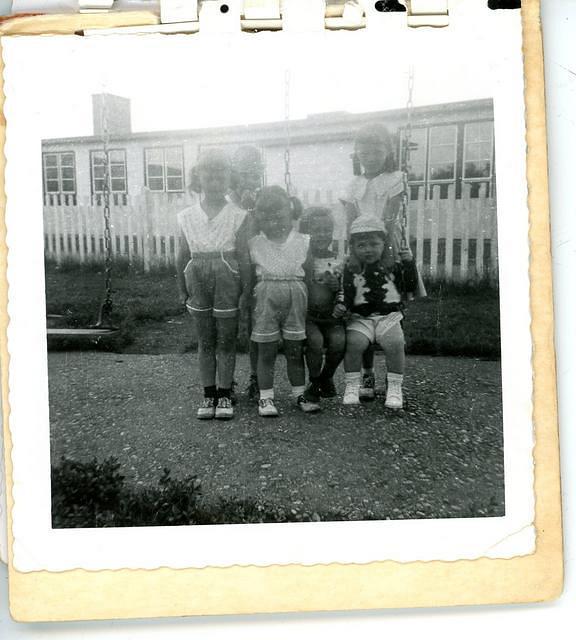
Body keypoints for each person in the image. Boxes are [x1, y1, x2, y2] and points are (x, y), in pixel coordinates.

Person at [341, 122, 421, 400]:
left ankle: (394, 379)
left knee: (388, 300)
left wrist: (388, 250)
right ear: (357, 153)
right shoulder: (353, 185)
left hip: (385, 241)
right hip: (360, 242)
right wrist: (352, 251)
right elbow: (350, 220)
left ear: (388, 151)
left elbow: (390, 216)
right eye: (364, 150)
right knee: (362, 308)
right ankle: (366, 375)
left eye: (377, 149)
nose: (370, 155)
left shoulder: (395, 178)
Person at [176, 148, 250, 421]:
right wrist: (181, 288)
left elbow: (243, 256)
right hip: (197, 274)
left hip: (228, 274)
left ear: (230, 177)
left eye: (221, 171)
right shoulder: (186, 216)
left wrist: (245, 290)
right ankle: (209, 393)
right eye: (209, 171)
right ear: (198, 176)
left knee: (227, 339)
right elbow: (182, 255)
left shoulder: (238, 215)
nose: (215, 177)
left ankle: (225, 392)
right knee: (205, 339)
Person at [249, 186, 320, 417]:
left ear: (290, 212)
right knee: (266, 351)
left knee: (294, 350)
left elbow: (308, 274)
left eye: (277, 215)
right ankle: (266, 398)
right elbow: (250, 276)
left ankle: (299, 393)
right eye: (265, 217)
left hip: (296, 296)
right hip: (266, 296)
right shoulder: (255, 242)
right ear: (258, 217)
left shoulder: (302, 241)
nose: (272, 222)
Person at [334, 217, 418, 409]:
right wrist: (342, 305)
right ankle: (352, 386)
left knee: (395, 342)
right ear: (353, 247)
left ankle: (395, 387)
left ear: (384, 244)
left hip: (388, 317)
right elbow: (347, 292)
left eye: (374, 244)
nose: (368, 249)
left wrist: (409, 263)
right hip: (360, 318)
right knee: (354, 344)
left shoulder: (393, 266)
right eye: (361, 245)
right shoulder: (351, 269)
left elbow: (409, 287)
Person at [299, 207, 346, 402]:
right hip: (309, 316)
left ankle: (326, 376)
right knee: (316, 342)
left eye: (327, 230)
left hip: (331, 316)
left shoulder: (338, 259)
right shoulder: (302, 259)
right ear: (306, 232)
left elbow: (345, 289)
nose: (322, 235)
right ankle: (315, 379)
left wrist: (337, 290)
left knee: (339, 342)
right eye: (316, 230)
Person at [230, 146, 265, 402]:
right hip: (231, 268)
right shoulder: (226, 201)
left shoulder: (262, 201)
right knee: (229, 326)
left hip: (256, 268)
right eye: (244, 175)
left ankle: (255, 376)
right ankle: (226, 378)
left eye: (255, 175)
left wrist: (254, 210)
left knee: (255, 326)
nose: (249, 181)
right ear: (234, 175)